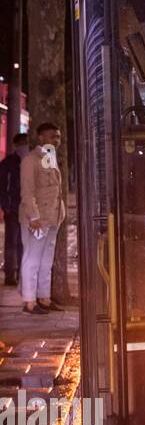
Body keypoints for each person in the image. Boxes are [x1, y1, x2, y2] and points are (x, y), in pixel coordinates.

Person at [19, 123, 66, 315]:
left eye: (58, 137)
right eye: (52, 136)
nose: (56, 140)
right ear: (40, 138)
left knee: (46, 260)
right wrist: (34, 217)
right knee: (32, 259)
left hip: (52, 218)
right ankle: (29, 302)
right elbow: (27, 192)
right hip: (37, 219)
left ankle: (44, 298)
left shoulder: (49, 158)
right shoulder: (31, 160)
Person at [0, 133, 27, 285]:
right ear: (15, 145)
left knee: (23, 243)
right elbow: (2, 187)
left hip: (27, 208)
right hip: (13, 209)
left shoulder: (30, 161)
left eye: (26, 143)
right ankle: (10, 274)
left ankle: (21, 274)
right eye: (21, 143)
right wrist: (6, 206)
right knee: (11, 242)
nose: (24, 146)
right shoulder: (8, 164)